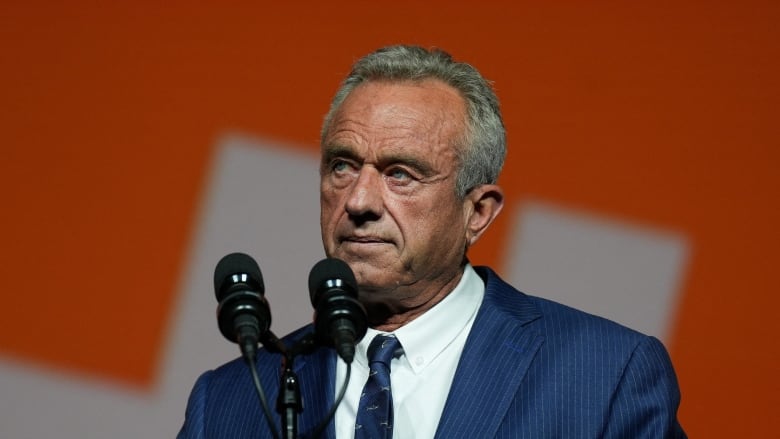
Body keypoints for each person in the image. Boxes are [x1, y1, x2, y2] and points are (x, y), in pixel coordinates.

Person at [178, 45, 686, 438]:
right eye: (342, 165)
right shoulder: (233, 399)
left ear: (477, 212)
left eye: (400, 174)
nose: (358, 201)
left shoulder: (604, 377)